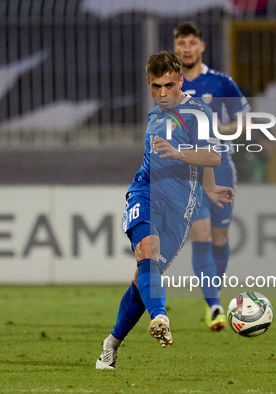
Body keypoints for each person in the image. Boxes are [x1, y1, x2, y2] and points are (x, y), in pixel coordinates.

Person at [96, 51, 235, 369]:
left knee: (141, 279)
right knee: (147, 251)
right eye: (156, 87)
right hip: (145, 195)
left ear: (181, 80)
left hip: (179, 212)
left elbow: (211, 156)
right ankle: (160, 317)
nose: (163, 94)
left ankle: (111, 343)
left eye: (169, 86)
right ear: (149, 83)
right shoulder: (156, 114)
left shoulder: (198, 113)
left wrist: (207, 185)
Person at [173, 21, 252, 331]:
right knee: (202, 235)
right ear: (175, 47)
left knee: (220, 238)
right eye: (181, 43)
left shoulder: (221, 82)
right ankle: (215, 307)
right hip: (187, 170)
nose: (187, 48)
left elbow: (245, 121)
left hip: (220, 166)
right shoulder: (171, 85)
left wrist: (218, 129)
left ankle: (213, 294)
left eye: (192, 42)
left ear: (201, 46)